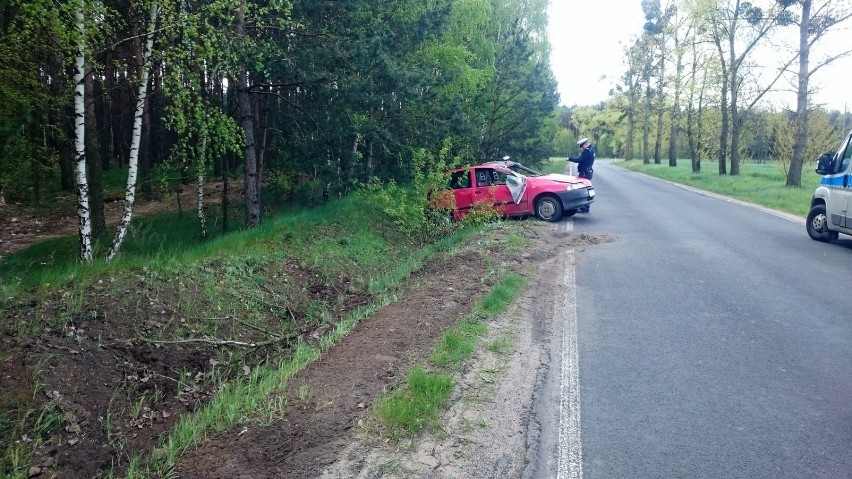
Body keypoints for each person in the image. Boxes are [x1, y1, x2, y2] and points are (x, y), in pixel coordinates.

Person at [568, 137, 595, 212]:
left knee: (582, 190)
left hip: (584, 173)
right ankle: (586, 207)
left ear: (585, 144)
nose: (582, 148)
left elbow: (580, 159)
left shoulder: (587, 151)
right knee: (587, 189)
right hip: (588, 172)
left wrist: (570, 158)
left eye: (582, 146)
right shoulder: (592, 149)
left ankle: (584, 208)